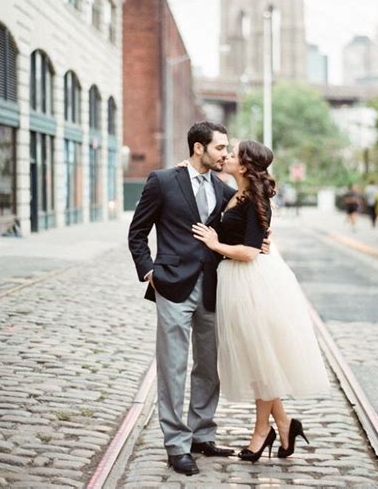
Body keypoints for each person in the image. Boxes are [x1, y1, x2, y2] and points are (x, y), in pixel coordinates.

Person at [128, 122, 269, 477]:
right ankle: (176, 443)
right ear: (198, 148)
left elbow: (243, 226)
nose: (225, 154)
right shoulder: (162, 181)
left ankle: (201, 434)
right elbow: (137, 233)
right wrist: (150, 273)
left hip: (213, 288)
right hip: (172, 287)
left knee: (208, 367)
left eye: (226, 149)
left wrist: (260, 243)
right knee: (173, 367)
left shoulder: (225, 192)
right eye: (220, 148)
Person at [192, 140, 330, 463]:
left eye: (233, 153)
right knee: (259, 360)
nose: (226, 156)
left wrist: (214, 244)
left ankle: (261, 432)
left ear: (243, 166)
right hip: (237, 283)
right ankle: (283, 424)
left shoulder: (255, 199)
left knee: (260, 361)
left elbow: (251, 251)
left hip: (253, 282)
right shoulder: (234, 195)